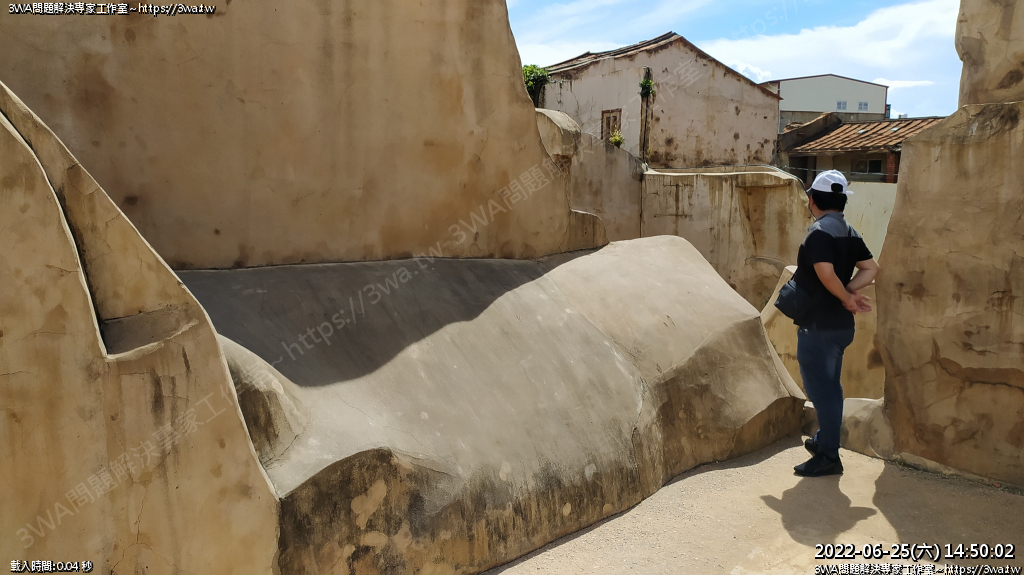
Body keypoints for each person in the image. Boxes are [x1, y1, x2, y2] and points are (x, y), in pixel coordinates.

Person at [792, 170, 879, 477]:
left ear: (813, 200)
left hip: (820, 326)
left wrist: (845, 296)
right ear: (842, 202)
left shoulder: (819, 233)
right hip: (839, 327)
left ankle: (829, 454)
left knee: (822, 391)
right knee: (830, 387)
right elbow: (871, 268)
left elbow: (825, 273)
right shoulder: (849, 232)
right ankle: (824, 440)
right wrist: (850, 292)